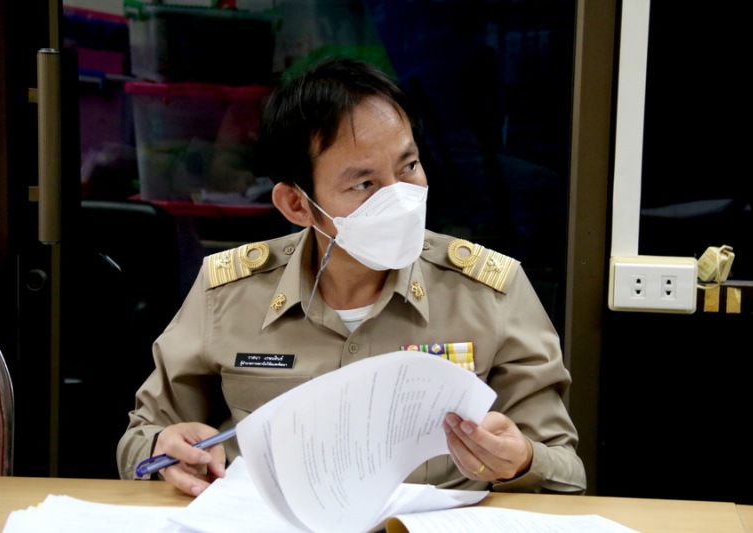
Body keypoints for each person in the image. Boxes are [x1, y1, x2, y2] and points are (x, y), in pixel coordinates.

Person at [117, 56, 586, 497]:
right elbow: (142, 440)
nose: (400, 197)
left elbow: (567, 473)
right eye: (364, 184)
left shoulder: (490, 291)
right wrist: (165, 450)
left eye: (409, 166)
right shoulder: (228, 294)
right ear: (297, 205)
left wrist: (521, 462)